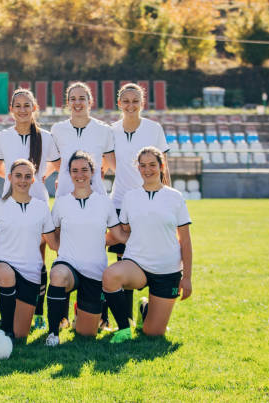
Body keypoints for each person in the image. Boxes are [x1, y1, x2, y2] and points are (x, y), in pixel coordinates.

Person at [102, 147, 192, 343]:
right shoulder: (130, 197)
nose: (147, 169)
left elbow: (185, 240)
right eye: (142, 166)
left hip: (167, 270)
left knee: (154, 333)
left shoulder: (175, 197)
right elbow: (122, 232)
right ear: (138, 169)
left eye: (152, 165)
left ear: (161, 166)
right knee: (110, 275)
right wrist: (95, 242)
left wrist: (187, 278)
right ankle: (124, 329)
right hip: (137, 264)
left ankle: (145, 309)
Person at [102, 83, 172, 329]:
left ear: (142, 103)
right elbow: (102, 166)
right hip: (120, 204)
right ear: (119, 104)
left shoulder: (154, 129)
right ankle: (122, 318)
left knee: (152, 255)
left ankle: (149, 308)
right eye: (126, 101)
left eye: (136, 101)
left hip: (151, 204)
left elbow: (164, 168)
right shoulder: (110, 131)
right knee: (123, 259)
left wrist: (168, 201)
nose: (131, 106)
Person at [0, 88, 60, 330]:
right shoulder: (2, 137)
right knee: (9, 252)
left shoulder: (47, 137)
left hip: (37, 201)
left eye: (26, 105)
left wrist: (38, 177)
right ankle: (9, 309)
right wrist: (13, 180)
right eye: (17, 105)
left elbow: (58, 164)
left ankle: (38, 312)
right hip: (10, 201)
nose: (22, 110)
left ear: (34, 109)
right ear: (11, 110)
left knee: (37, 258)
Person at [45, 151, 127, 346]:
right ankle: (53, 333)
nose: (79, 174)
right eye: (75, 170)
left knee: (86, 334)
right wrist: (60, 248)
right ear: (69, 174)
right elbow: (52, 235)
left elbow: (118, 235)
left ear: (93, 172)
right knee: (57, 275)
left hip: (95, 272)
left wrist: (144, 239)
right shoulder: (62, 203)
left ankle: (78, 316)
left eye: (84, 170)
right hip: (68, 266)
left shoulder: (104, 203)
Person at [0, 159, 59, 339]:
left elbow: (53, 244)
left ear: (33, 180)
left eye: (27, 176)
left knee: (21, 335)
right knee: (6, 274)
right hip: (1, 266)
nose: (22, 180)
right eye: (18, 176)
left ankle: (10, 327)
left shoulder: (41, 207)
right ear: (9, 178)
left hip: (30, 273)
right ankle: (6, 330)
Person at [51, 82, 114, 198]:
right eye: (73, 99)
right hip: (65, 193)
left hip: (96, 194)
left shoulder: (104, 130)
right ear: (68, 103)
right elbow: (54, 160)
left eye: (82, 98)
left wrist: (100, 170)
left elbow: (111, 162)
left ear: (89, 102)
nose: (77, 102)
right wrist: (61, 175)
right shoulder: (57, 129)